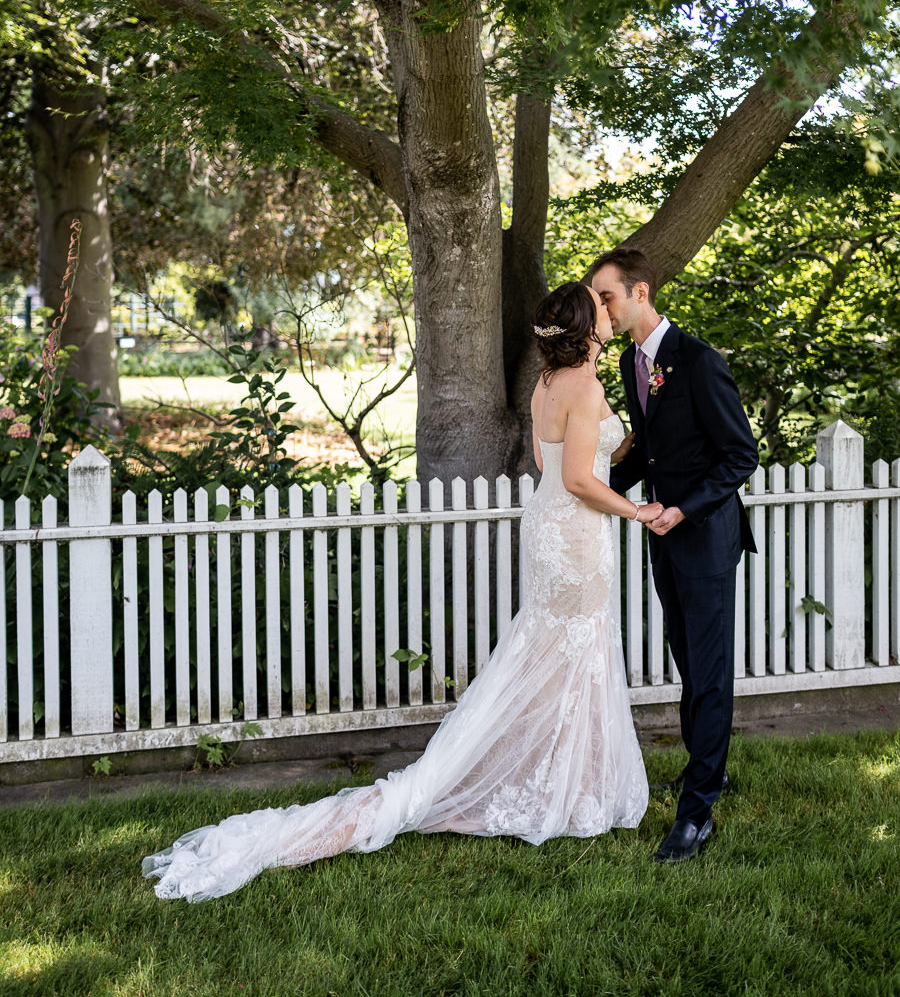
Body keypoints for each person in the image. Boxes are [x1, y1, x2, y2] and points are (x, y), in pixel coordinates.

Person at [143, 281, 659, 902]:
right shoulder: (587, 385)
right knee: (571, 656)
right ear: (586, 325)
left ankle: (567, 779)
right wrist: (637, 512)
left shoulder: (547, 385)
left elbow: (554, 469)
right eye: (600, 307)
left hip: (548, 529)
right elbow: (578, 478)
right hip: (577, 536)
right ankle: (568, 787)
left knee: (551, 657)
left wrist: (629, 445)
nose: (609, 313)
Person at [590, 247, 759, 865]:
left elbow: (740, 456)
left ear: (641, 292)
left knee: (710, 672)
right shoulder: (635, 362)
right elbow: (650, 455)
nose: (600, 308)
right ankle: (701, 775)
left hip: (704, 537)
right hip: (663, 537)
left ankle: (697, 814)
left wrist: (683, 509)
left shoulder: (697, 361)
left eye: (606, 296)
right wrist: (594, 489)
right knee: (689, 663)